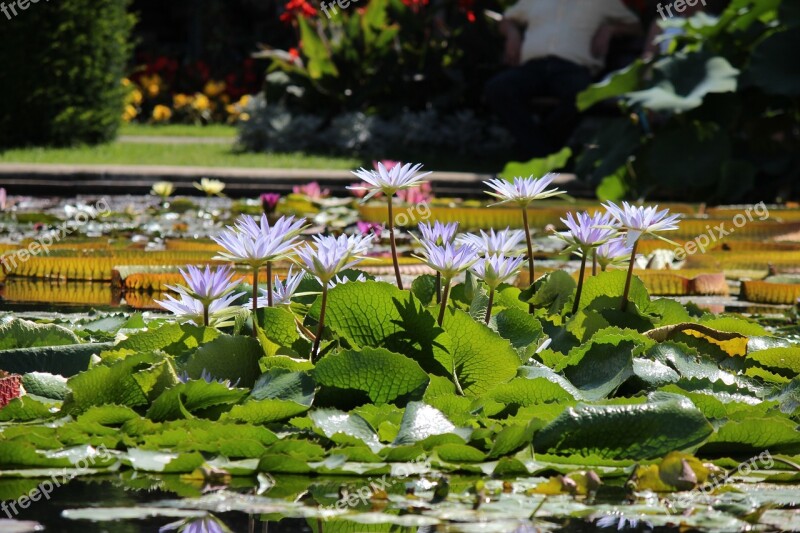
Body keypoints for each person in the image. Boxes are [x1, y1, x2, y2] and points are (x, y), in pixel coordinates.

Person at [485, 0, 642, 160]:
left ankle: (537, 152)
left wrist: (610, 29)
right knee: (498, 89)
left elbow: (635, 26)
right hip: (533, 67)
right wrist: (512, 34)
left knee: (581, 95)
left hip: (572, 68)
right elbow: (506, 19)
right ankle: (544, 153)